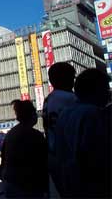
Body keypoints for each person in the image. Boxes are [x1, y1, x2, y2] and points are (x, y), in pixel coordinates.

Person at [55, 68, 111, 198]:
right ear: (96, 90)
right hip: (93, 185)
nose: (108, 94)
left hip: (69, 183)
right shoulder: (93, 113)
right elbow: (95, 153)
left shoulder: (64, 114)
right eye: (105, 89)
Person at [42, 62, 77, 196]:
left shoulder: (48, 99)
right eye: (72, 77)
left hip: (54, 155)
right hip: (70, 156)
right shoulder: (71, 98)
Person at [1, 100, 48, 198]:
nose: (36, 116)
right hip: (28, 185)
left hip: (11, 183)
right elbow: (43, 161)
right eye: (34, 113)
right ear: (30, 115)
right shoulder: (35, 135)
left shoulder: (11, 134)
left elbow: (3, 158)